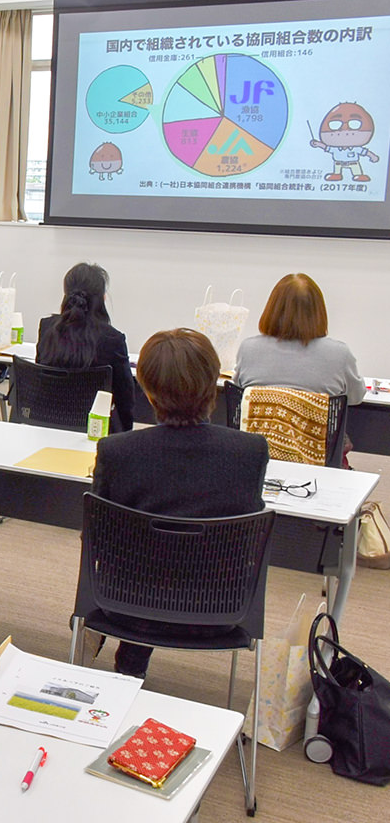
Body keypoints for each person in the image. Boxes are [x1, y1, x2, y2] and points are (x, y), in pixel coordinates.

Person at [90, 328, 269, 678]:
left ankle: (128, 668)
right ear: (213, 382)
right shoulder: (249, 452)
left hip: (127, 608)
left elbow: (96, 536)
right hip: (221, 610)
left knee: (144, 561)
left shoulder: (117, 452)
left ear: (147, 388)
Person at [233, 273, 364, 405]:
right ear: (318, 312)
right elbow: (355, 397)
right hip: (315, 426)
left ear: (272, 308)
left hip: (255, 426)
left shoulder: (248, 349)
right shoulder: (339, 354)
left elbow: (238, 389)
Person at [37, 261, 135, 432]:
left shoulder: (47, 327)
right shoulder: (113, 339)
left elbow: (40, 377)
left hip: (44, 423)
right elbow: (125, 396)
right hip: (95, 430)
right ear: (103, 297)